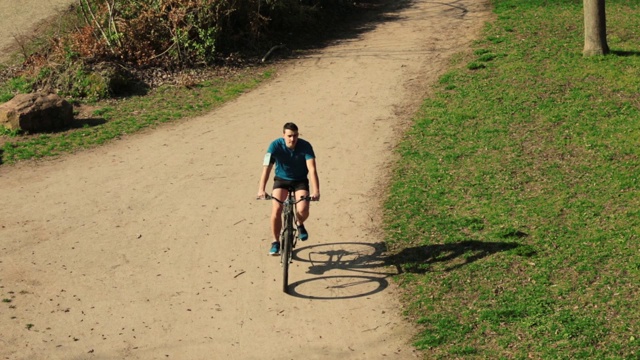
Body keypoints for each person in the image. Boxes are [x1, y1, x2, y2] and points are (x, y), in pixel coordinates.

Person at [257, 122, 320, 255]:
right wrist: (261, 189)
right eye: (290, 136)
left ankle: (299, 223)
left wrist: (316, 191)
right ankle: (275, 241)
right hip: (281, 180)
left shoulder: (305, 146)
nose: (293, 139)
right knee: (277, 209)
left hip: (300, 181)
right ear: (283, 135)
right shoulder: (275, 146)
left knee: (302, 209)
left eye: (295, 135)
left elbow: (312, 169)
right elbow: (266, 169)